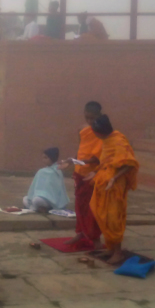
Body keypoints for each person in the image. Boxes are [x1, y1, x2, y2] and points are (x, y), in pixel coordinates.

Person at [88, 115, 139, 264]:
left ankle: (118, 252)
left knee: (112, 218)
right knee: (101, 215)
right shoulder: (107, 140)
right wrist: (96, 172)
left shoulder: (118, 141)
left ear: (100, 132)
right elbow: (107, 161)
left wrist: (114, 179)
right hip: (103, 183)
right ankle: (110, 248)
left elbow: (130, 164)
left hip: (114, 186)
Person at [58, 102, 104, 248]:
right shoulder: (82, 129)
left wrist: (78, 161)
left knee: (92, 207)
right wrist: (72, 161)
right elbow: (80, 150)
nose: (90, 121)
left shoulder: (103, 131)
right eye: (87, 117)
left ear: (99, 115)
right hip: (80, 172)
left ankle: (95, 238)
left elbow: (99, 157)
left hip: (93, 173)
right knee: (79, 205)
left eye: (93, 118)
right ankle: (80, 232)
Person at [23, 148, 69, 214]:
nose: (43, 160)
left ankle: (45, 207)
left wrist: (47, 196)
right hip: (40, 196)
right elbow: (35, 186)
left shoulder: (57, 171)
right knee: (25, 199)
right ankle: (40, 208)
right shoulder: (41, 171)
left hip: (52, 200)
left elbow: (56, 189)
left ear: (52, 158)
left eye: (45, 158)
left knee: (36, 200)